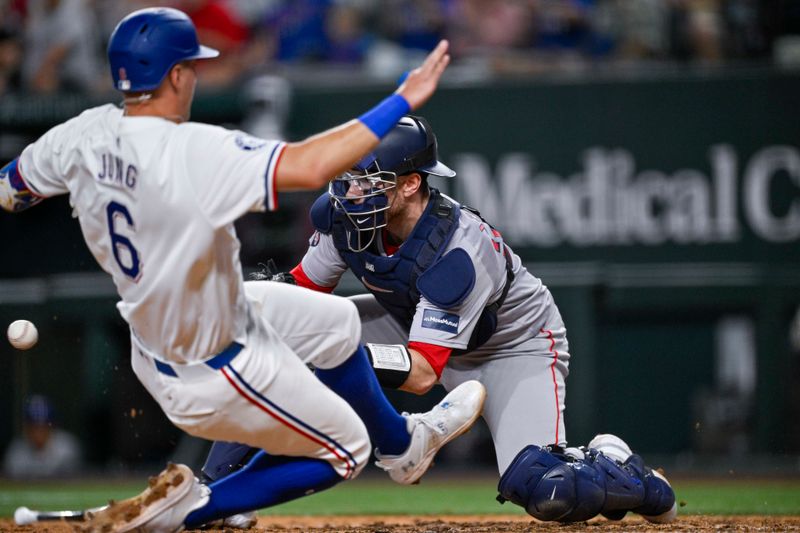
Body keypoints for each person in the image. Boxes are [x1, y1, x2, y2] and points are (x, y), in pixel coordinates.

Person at [0, 7, 487, 532]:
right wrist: (400, 102)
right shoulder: (195, 149)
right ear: (177, 75)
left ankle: (405, 448)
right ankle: (195, 508)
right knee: (346, 449)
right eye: (192, 65)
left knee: (336, 322)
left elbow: (12, 189)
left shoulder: (82, 133)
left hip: (175, 324)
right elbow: (310, 166)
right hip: (210, 360)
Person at [272, 114, 678, 523]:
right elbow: (300, 294)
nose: (353, 191)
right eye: (349, 176)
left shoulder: (459, 248)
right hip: (407, 320)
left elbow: (421, 375)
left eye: (368, 180)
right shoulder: (344, 216)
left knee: (546, 488)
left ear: (411, 183)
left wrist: (342, 354)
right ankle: (219, 486)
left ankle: (624, 471)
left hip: (511, 347)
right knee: (279, 339)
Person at [2, 395, 82, 479]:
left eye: (43, 427)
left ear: (52, 427)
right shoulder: (16, 451)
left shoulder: (67, 448)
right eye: (34, 427)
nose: (38, 433)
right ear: (26, 428)